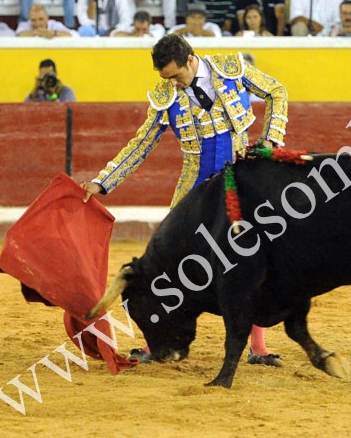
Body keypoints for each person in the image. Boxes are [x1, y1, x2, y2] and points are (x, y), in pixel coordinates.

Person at [80, 34, 288, 367]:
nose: (173, 84)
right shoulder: (165, 97)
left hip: (239, 179)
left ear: (191, 60)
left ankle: (258, 348)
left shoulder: (231, 68)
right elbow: (141, 144)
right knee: (167, 266)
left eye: (176, 76)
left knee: (252, 258)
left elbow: (277, 91)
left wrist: (270, 140)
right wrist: (103, 182)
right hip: (194, 189)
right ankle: (155, 342)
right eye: (167, 79)